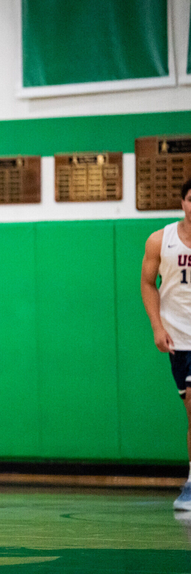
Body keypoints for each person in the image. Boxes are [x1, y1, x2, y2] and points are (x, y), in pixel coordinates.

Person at [141, 177, 191, 512]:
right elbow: (147, 283)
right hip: (179, 338)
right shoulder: (161, 240)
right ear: (183, 202)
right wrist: (157, 327)